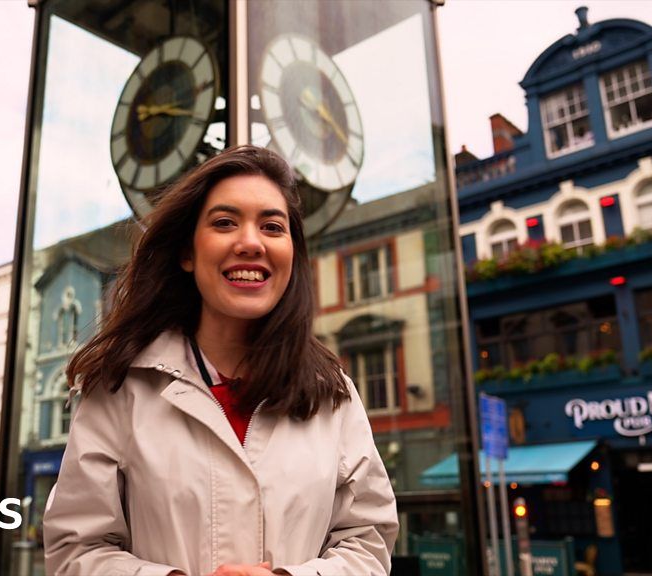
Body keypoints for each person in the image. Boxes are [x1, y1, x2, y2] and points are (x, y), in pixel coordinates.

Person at [43, 145, 397, 576]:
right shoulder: (122, 385)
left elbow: (368, 542)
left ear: (291, 254)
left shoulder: (333, 393)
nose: (251, 243)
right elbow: (75, 550)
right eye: (225, 222)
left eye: (272, 226)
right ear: (187, 253)